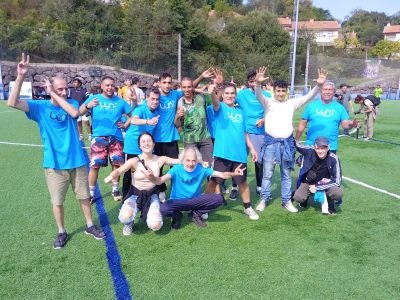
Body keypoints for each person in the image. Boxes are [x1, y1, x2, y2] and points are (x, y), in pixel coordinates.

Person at [7, 53, 105, 249]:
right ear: (51, 88)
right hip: (54, 163)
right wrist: (20, 76)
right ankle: (61, 231)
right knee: (57, 201)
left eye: (65, 87)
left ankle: (89, 225)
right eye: (59, 88)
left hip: (77, 160)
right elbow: (12, 102)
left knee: (84, 196)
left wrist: (54, 94)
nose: (64, 91)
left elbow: (75, 113)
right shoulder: (39, 107)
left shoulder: (72, 103)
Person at [254, 66, 328, 213]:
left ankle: (286, 201)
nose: (281, 93)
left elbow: (309, 97)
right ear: (273, 91)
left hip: (287, 144)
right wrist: (257, 83)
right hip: (270, 144)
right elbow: (258, 95)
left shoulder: (291, 103)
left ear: (286, 91)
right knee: (267, 174)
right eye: (278, 91)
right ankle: (264, 199)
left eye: (283, 91)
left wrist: (319, 85)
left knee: (286, 175)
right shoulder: (268, 102)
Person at [143, 146, 246, 229]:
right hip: (177, 201)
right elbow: (160, 180)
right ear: (183, 160)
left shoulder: (201, 169)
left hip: (194, 201)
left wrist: (234, 173)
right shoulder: (176, 169)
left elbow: (222, 175)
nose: (191, 164)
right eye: (188, 160)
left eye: (193, 160)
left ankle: (196, 214)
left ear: (197, 160)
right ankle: (177, 216)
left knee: (218, 199)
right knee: (164, 209)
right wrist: (152, 177)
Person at [105, 132, 181, 235]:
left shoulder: (160, 159)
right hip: (135, 194)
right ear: (139, 146)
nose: (146, 144)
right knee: (125, 217)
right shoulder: (134, 161)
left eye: (149, 141)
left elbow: (176, 161)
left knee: (156, 225)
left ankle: (154, 213)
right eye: (143, 142)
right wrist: (111, 176)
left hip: (152, 194)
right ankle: (129, 223)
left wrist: (194, 158)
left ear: (154, 144)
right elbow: (119, 170)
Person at [206, 82, 260, 220]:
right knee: (214, 181)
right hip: (222, 153)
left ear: (236, 95)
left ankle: (248, 208)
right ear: (222, 95)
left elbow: (244, 133)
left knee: (242, 182)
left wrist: (252, 148)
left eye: (232, 93)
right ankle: (204, 206)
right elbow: (215, 102)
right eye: (227, 93)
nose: (230, 96)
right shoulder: (220, 108)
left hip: (240, 155)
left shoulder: (240, 112)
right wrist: (212, 93)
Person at [80, 76, 132, 202]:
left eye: (112, 85)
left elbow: (132, 115)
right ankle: (91, 193)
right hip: (99, 138)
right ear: (102, 86)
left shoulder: (120, 101)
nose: (110, 88)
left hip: (116, 138)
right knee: (94, 166)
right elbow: (79, 113)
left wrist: (125, 124)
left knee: (116, 164)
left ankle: (115, 189)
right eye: (107, 85)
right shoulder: (94, 98)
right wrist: (88, 106)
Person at [295, 81, 359, 152]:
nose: (327, 92)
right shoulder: (311, 106)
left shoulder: (339, 108)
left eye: (330, 90)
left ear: (334, 92)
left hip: (330, 147)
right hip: (311, 146)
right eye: (325, 89)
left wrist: (352, 124)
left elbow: (345, 125)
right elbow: (302, 124)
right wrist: (296, 140)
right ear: (320, 91)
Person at [235, 69, 271, 195]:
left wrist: (264, 119)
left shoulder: (267, 95)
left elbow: (273, 112)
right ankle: (235, 187)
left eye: (256, 81)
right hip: (242, 132)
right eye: (251, 81)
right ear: (247, 82)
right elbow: (229, 104)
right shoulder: (241, 95)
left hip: (258, 132)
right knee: (239, 159)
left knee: (258, 160)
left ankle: (259, 186)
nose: (253, 84)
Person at [122, 87, 161, 198]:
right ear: (147, 98)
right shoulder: (141, 108)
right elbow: (134, 120)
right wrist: (148, 121)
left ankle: (149, 196)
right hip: (133, 145)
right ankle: (126, 198)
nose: (155, 101)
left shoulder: (156, 111)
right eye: (152, 99)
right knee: (129, 173)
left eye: (157, 99)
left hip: (146, 146)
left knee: (148, 171)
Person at [293, 137, 343, 215]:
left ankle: (330, 203)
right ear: (314, 147)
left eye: (323, 148)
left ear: (328, 147)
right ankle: (305, 199)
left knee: (337, 193)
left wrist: (317, 187)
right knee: (298, 197)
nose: (320, 151)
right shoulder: (309, 151)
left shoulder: (334, 158)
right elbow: (296, 145)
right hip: (308, 182)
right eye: (318, 148)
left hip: (325, 184)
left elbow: (337, 181)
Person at [174, 77, 213, 166]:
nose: (187, 89)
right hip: (189, 140)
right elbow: (178, 125)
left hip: (205, 138)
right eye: (184, 87)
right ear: (181, 87)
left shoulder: (201, 98)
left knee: (208, 167)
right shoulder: (180, 102)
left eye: (189, 87)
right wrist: (177, 117)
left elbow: (216, 101)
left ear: (193, 87)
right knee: (191, 167)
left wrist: (215, 87)